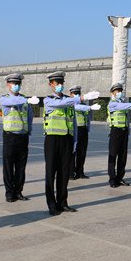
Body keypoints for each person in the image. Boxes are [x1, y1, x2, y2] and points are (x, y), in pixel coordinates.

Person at [43, 71, 99, 216]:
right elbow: (60, 104)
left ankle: (63, 202)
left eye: (62, 83)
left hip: (66, 140)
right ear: (51, 85)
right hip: (52, 139)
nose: (60, 86)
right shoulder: (48, 100)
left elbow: (73, 123)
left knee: (63, 173)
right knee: (51, 173)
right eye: (57, 83)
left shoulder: (69, 101)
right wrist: (82, 98)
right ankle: (51, 204)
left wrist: (74, 141)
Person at [0, 73, 39, 202]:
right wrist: (26, 100)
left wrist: (29, 133)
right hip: (10, 137)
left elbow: (30, 118)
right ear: (8, 85)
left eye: (18, 84)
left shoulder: (25, 100)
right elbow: (12, 101)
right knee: (9, 166)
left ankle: (19, 191)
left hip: (23, 136)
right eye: (13, 84)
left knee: (21, 167)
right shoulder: (5, 99)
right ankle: (9, 192)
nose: (16, 86)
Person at [69, 85, 101, 180]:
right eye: (75, 94)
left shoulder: (84, 106)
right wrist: (90, 107)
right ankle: (70, 173)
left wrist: (88, 130)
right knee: (72, 152)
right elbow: (77, 107)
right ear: (71, 95)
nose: (77, 95)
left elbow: (88, 119)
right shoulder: (71, 104)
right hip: (74, 130)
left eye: (78, 93)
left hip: (83, 130)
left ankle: (80, 172)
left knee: (82, 152)